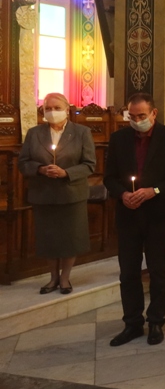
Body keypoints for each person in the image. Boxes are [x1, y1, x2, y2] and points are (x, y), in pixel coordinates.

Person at [104, 93, 165, 347]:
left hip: (158, 214)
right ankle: (132, 322)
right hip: (128, 214)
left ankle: (155, 320)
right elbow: (109, 177)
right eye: (132, 116)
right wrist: (123, 194)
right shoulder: (119, 139)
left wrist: (155, 190)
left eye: (141, 115)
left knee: (158, 270)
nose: (136, 120)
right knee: (128, 271)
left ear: (154, 113)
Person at [18, 93, 96, 295]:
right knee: (48, 238)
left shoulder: (82, 132)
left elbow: (89, 164)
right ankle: (52, 277)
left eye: (57, 108)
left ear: (67, 110)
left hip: (71, 194)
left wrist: (66, 173)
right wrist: (40, 169)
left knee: (70, 238)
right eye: (48, 108)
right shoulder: (34, 133)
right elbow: (23, 163)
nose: (52, 112)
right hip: (43, 194)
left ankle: (65, 278)